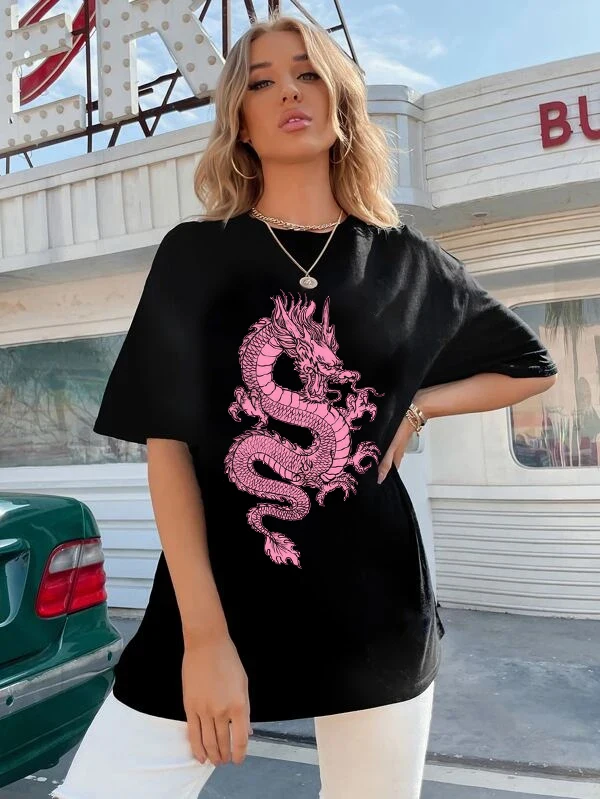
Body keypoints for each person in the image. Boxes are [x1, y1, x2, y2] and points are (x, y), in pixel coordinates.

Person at [51, 13, 558, 799]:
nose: (289, 90)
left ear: (341, 101)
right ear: (240, 122)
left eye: (308, 72)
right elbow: (169, 447)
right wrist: (205, 639)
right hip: (217, 606)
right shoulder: (198, 254)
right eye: (262, 81)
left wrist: (417, 408)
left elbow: (531, 366)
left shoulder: (406, 261)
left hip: (376, 613)